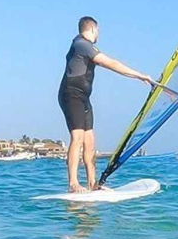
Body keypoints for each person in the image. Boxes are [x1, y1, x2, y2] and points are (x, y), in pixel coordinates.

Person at [59, 16, 159, 192]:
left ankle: (92, 184)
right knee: (78, 137)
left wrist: (137, 77)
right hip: (71, 95)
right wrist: (140, 75)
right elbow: (111, 63)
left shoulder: (85, 46)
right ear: (92, 29)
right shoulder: (82, 44)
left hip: (83, 97)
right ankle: (73, 183)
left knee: (90, 141)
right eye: (98, 30)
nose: (99, 34)